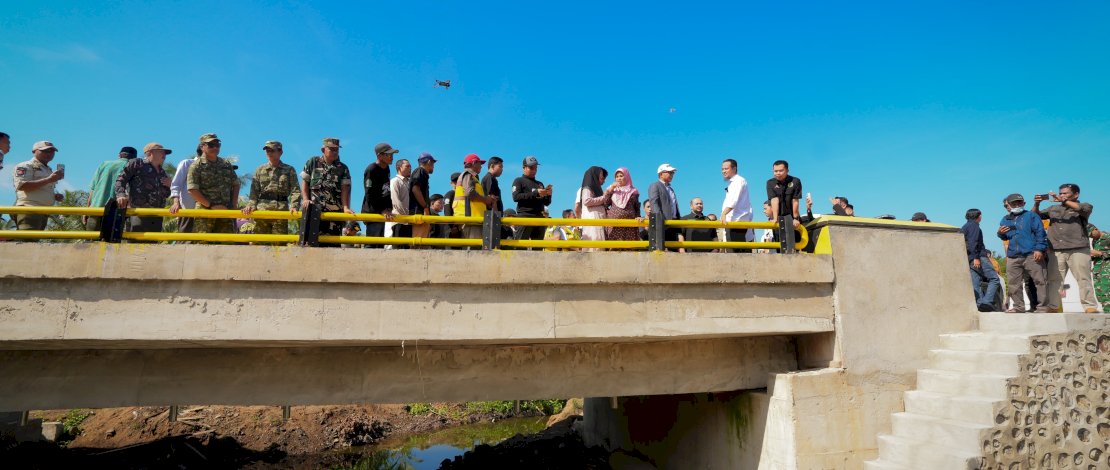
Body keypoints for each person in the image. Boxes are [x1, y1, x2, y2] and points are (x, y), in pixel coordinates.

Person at [1034, 184, 1098, 313]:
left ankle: (1089, 306)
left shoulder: (1085, 206)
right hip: (1056, 250)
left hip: (1078, 249)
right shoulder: (1053, 208)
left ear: (1076, 195)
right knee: (1054, 280)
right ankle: (1053, 306)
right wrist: (1037, 204)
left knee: (1083, 278)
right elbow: (1035, 216)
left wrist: (1064, 201)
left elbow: (1082, 209)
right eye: (1061, 193)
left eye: (1065, 193)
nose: (1062, 195)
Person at [998, 193, 1052, 313]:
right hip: (1013, 256)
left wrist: (1039, 249)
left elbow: (1040, 233)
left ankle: (1042, 307)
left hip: (1031, 254)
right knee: (1013, 283)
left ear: (1024, 203)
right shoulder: (1005, 219)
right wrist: (1000, 233)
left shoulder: (1031, 216)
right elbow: (1005, 236)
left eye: (1019, 202)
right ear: (1009, 205)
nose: (1017, 204)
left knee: (1040, 281)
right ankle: (1018, 307)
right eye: (1014, 203)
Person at [300, 138, 356, 246]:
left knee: (333, 245)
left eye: (337, 149)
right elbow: (305, 183)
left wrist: (345, 207)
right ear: (323, 149)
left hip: (334, 213)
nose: (335, 152)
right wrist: (306, 199)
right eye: (332, 149)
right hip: (314, 211)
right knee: (311, 244)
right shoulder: (313, 162)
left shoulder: (342, 168)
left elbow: (345, 189)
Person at [242, 141, 300, 236]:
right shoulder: (259, 170)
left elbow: (295, 190)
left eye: (272, 150)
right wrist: (251, 205)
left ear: (280, 152)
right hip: (262, 211)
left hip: (281, 211)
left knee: (279, 244)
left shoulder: (289, 169)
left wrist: (294, 206)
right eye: (267, 151)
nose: (269, 153)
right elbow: (254, 191)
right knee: (260, 242)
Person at [186, 134, 239, 234]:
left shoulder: (225, 164)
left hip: (225, 211)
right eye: (211, 145)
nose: (215, 147)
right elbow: (192, 189)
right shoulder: (196, 166)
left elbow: (236, 184)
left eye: (217, 145)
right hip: (205, 212)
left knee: (226, 244)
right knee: (201, 244)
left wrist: (233, 204)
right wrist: (211, 205)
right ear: (202, 147)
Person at [115, 142, 173, 233]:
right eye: (161, 152)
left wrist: (170, 186)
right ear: (149, 153)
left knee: (152, 245)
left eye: (165, 153)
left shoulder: (162, 172)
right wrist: (121, 195)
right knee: (135, 245)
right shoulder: (137, 163)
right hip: (138, 213)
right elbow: (121, 180)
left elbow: (166, 194)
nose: (164, 154)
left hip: (157, 216)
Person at [12, 141, 64, 230]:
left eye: (52, 151)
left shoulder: (48, 169)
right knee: (28, 240)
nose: (49, 153)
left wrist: (54, 196)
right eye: (45, 151)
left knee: (34, 241)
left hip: (43, 211)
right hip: (29, 209)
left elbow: (42, 188)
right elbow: (23, 186)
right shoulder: (25, 165)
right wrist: (49, 180)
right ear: (34, 151)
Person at [85, 146, 137, 230]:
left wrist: (87, 210)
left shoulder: (104, 164)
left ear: (119, 155)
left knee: (91, 240)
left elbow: (93, 189)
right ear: (134, 158)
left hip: (96, 209)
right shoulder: (133, 167)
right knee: (111, 241)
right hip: (117, 212)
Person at [961, 208, 1001, 312]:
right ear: (978, 216)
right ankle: (986, 302)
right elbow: (972, 242)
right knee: (994, 279)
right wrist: (976, 258)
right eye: (981, 215)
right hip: (978, 257)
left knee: (976, 283)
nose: (981, 217)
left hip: (969, 258)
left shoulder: (965, 226)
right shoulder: (974, 226)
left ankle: (980, 305)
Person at [453, 154, 496, 240]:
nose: (481, 166)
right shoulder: (468, 175)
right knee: (472, 249)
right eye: (480, 163)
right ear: (473, 163)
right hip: (470, 220)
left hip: (473, 219)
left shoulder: (471, 177)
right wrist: (485, 199)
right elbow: (470, 192)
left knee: (473, 248)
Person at [511, 156, 552, 242]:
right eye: (531, 168)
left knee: (538, 248)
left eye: (535, 168)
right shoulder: (519, 181)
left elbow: (546, 203)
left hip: (539, 218)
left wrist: (548, 195)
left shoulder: (540, 184)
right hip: (525, 217)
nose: (534, 170)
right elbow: (516, 197)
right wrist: (535, 193)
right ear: (524, 168)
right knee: (520, 247)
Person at [362, 142, 398, 239]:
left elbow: (386, 191)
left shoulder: (387, 169)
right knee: (372, 245)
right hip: (373, 212)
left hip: (383, 213)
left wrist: (389, 207)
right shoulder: (371, 169)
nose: (391, 157)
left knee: (381, 244)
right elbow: (369, 194)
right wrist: (381, 210)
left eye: (392, 154)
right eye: (388, 154)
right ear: (380, 156)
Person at [647, 163, 684, 251]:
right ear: (661, 174)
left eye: (672, 173)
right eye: (669, 172)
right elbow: (654, 203)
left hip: (674, 222)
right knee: (662, 248)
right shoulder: (655, 185)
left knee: (674, 249)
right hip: (663, 223)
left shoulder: (671, 189)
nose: (671, 175)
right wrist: (659, 219)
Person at [720, 159, 753, 251]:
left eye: (726, 168)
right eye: (722, 169)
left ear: (734, 169)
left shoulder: (738, 181)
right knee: (734, 251)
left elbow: (733, 201)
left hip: (736, 222)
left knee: (736, 254)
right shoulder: (733, 182)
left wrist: (724, 214)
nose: (723, 171)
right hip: (733, 222)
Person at [766, 160, 803, 241]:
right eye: (775, 171)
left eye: (781, 171)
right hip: (779, 218)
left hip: (792, 218)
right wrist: (775, 218)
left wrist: (795, 218)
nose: (778, 173)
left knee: (794, 244)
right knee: (779, 245)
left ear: (787, 170)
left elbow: (795, 201)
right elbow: (774, 200)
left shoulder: (795, 181)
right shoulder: (770, 183)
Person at [169, 145, 201, 234]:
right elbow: (176, 184)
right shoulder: (187, 163)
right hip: (187, 210)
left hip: (203, 213)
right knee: (185, 240)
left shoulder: (212, 167)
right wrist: (176, 203)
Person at [575, 166, 610, 246]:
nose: (603, 180)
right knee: (594, 245)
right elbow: (586, 201)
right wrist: (604, 198)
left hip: (597, 220)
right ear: (595, 175)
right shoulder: (587, 188)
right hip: (593, 220)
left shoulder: (595, 189)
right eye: (601, 175)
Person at [605, 167, 640, 242]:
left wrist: (638, 216)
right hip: (614, 224)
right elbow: (605, 203)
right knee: (614, 247)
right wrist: (611, 189)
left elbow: (636, 207)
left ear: (627, 177)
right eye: (617, 177)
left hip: (629, 225)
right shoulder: (612, 190)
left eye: (621, 176)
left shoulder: (634, 191)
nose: (619, 178)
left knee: (629, 247)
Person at [409, 153, 437, 242]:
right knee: (418, 242)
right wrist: (425, 207)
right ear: (429, 162)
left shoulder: (420, 172)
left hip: (419, 211)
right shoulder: (420, 171)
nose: (433, 167)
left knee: (422, 241)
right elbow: (415, 189)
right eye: (433, 164)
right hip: (418, 212)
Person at [389, 158, 412, 243]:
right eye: (407, 166)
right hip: (399, 220)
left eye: (410, 166)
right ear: (399, 168)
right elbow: (395, 201)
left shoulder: (409, 182)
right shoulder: (395, 181)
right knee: (398, 250)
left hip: (408, 221)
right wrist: (406, 215)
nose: (410, 168)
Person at [1089, 224, 1109, 313]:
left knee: (1107, 293)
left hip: (1107, 270)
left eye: (1091, 233)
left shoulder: (1107, 237)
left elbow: (1101, 253)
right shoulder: (1094, 240)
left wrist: (1100, 253)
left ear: (1096, 229)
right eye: (1089, 235)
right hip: (1097, 270)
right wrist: (1092, 256)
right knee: (1099, 294)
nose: (1091, 236)